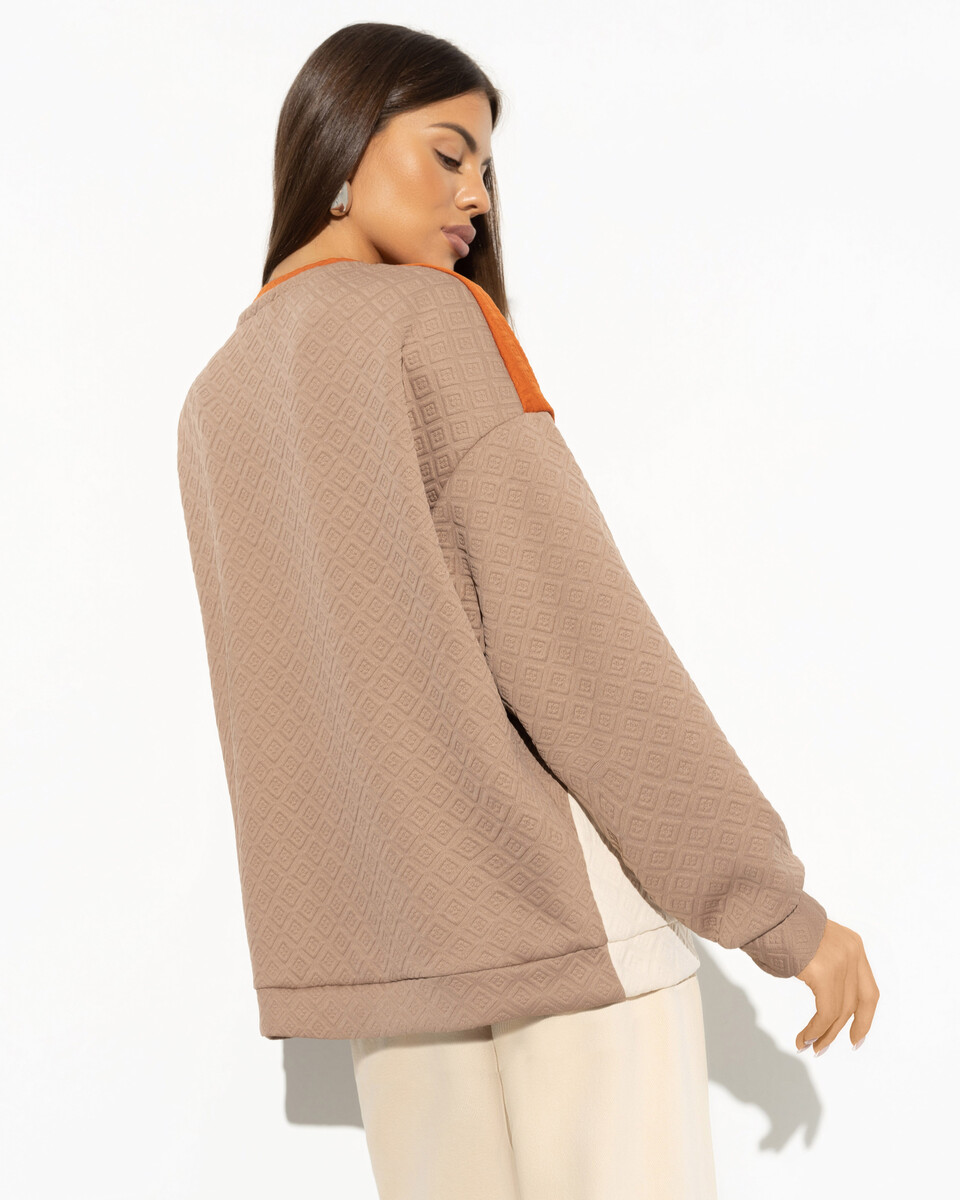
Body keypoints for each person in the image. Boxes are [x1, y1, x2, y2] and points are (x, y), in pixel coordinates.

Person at [176, 22, 879, 1200]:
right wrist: (776, 913)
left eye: (487, 170)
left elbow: (282, 722)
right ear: (341, 148)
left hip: (395, 978)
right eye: (448, 155)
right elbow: (582, 644)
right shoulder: (430, 322)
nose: (478, 199)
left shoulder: (212, 405)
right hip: (560, 935)